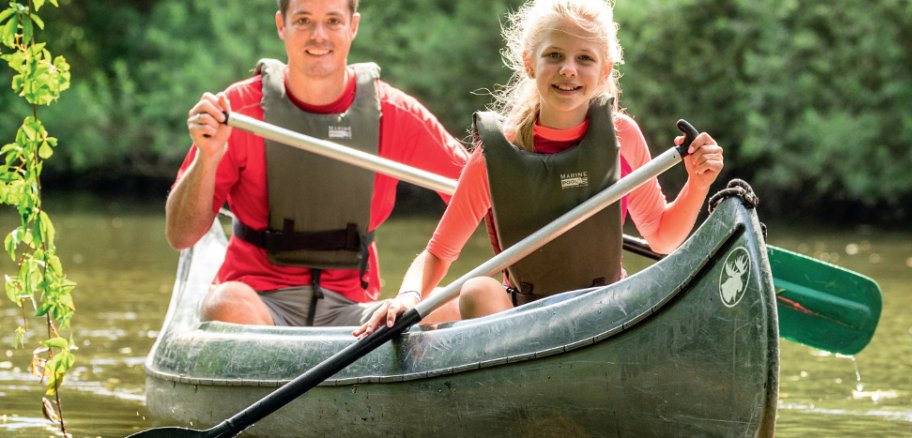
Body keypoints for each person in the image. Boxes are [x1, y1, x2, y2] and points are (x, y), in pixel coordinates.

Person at [353, 0, 723, 337]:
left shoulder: (621, 136)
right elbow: (438, 253)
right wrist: (408, 296)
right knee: (477, 290)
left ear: (605, 68)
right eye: (555, 55)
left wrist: (697, 183)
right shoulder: (496, 155)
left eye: (584, 58)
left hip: (605, 311)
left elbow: (662, 236)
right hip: (523, 320)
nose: (568, 70)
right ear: (530, 62)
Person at [166, 0, 469, 327]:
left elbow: (479, 196)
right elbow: (181, 236)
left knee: (459, 303)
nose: (318, 35)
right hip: (259, 305)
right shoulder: (239, 109)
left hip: (356, 313)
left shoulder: (395, 113)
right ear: (282, 25)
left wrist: (414, 289)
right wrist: (208, 157)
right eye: (304, 21)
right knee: (226, 302)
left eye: (333, 21)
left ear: (353, 26)